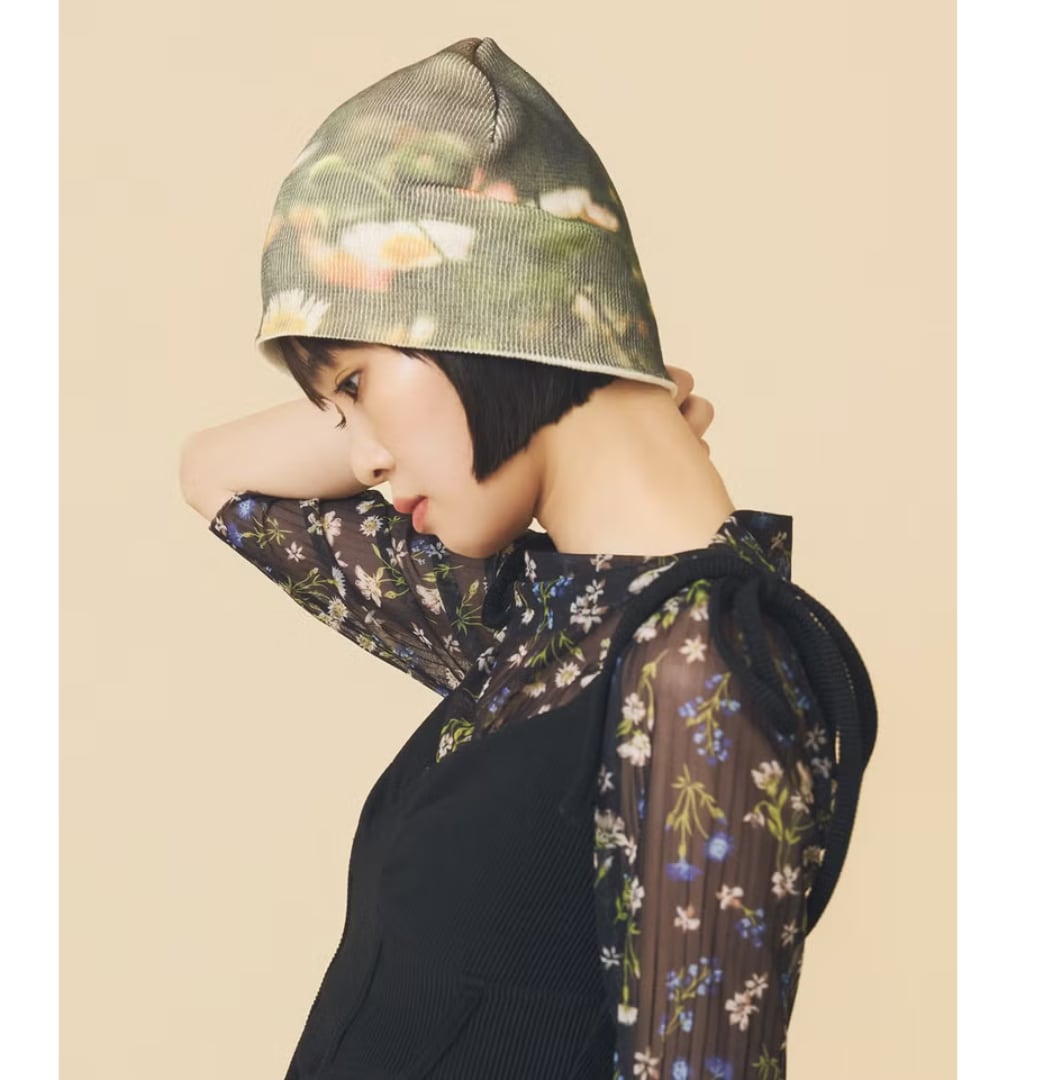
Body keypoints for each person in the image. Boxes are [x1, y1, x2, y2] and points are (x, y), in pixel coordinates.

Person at [180, 37, 877, 1080]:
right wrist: (602, 374)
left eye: (358, 384)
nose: (362, 458)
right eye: (335, 412)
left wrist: (580, 349)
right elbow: (214, 474)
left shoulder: (700, 664)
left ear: (493, 317)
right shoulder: (545, 624)